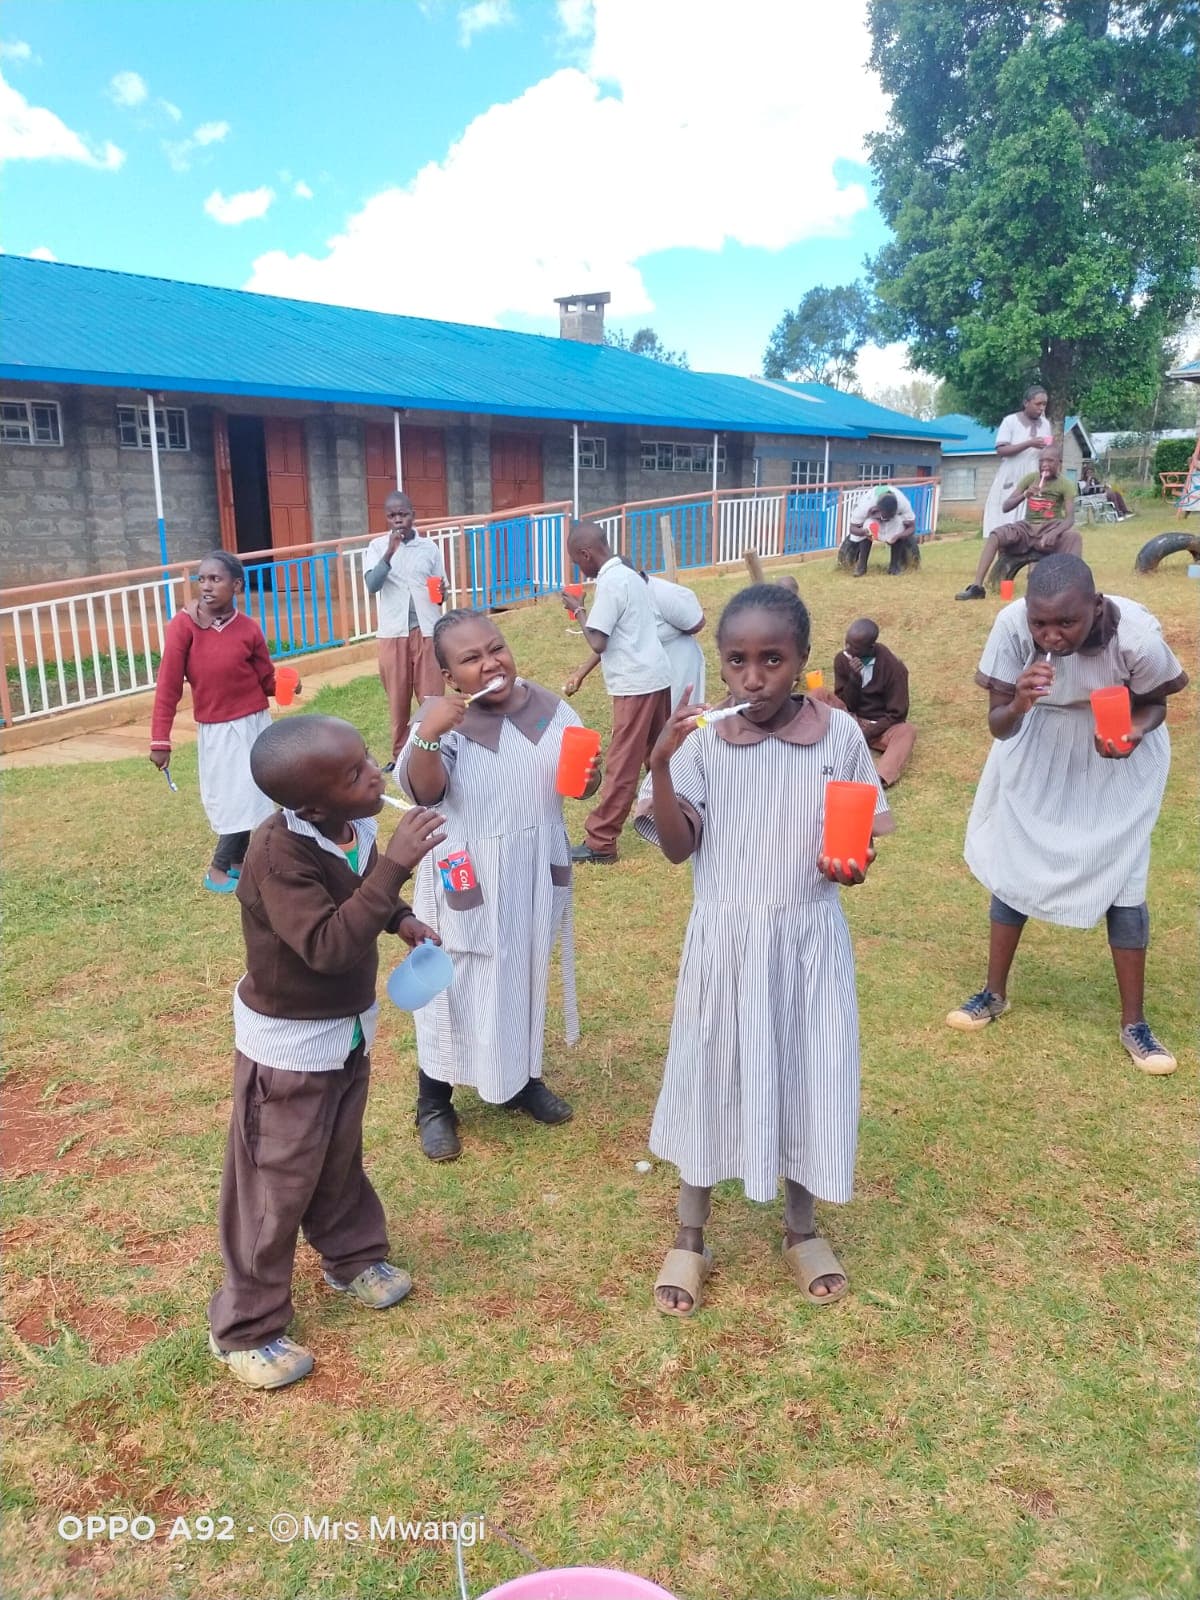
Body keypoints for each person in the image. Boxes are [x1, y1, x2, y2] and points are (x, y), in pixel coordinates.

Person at [635, 584, 893, 1316]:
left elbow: (858, 834)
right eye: (737, 661)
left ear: (803, 661)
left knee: (809, 1070)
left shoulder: (838, 735)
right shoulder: (705, 743)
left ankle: (801, 1227)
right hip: (725, 941)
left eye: (772, 660)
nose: (754, 677)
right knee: (711, 1070)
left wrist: (853, 863)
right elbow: (678, 851)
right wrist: (659, 764)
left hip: (809, 938)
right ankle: (691, 1233)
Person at [207, 715, 446, 1388]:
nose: (374, 774)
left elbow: (363, 890)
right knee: (274, 1183)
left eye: (367, 759)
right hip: (287, 1052)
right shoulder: (277, 854)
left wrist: (400, 918)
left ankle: (350, 1257)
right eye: (353, 775)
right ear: (310, 805)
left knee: (338, 1154)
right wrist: (398, 865)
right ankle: (244, 1327)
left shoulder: (351, 829)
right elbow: (328, 945)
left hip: (345, 1031)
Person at [947, 554, 1186, 1074]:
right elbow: (998, 724)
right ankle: (993, 993)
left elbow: (1156, 705)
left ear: (1095, 607)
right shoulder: (1012, 627)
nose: (1051, 636)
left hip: (1115, 750)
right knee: (1015, 867)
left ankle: (1135, 1024)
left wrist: (1133, 734)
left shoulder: (1135, 636)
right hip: (1036, 744)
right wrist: (1019, 704)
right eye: (1041, 623)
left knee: (1125, 880)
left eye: (1066, 623)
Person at [396, 610, 601, 1160]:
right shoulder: (443, 721)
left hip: (534, 866)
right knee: (452, 982)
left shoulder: (551, 710)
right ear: (449, 675)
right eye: (471, 658)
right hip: (469, 871)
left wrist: (590, 776)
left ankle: (519, 1080)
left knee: (524, 971)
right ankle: (434, 1100)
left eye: (497, 648)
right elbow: (425, 793)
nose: (491, 664)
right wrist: (432, 734)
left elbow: (581, 780)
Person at [149, 550, 285, 893]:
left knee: (254, 792)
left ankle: (239, 863)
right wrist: (160, 741)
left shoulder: (248, 629)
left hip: (254, 722)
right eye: (202, 579)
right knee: (232, 796)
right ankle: (218, 868)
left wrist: (285, 684)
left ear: (236, 585)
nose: (206, 586)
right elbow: (168, 685)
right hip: (218, 728)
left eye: (216, 579)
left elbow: (265, 679)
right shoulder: (184, 626)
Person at [561, 522, 673, 864]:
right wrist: (582, 672)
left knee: (622, 764)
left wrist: (577, 607)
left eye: (578, 562)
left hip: (635, 684)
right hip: (656, 674)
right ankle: (681, 815)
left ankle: (601, 840)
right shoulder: (630, 575)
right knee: (663, 754)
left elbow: (599, 639)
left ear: (586, 553)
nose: (580, 569)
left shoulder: (610, 583)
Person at [363, 491, 446, 766]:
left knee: (431, 696)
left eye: (403, 514)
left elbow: (439, 591)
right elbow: (372, 585)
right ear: (386, 518)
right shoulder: (376, 547)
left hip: (427, 631)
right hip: (392, 633)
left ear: (413, 514)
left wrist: (442, 592)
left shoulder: (430, 548)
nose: (398, 520)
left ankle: (435, 749)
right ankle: (400, 757)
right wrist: (389, 551)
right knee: (398, 699)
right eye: (392, 516)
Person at [565, 565, 706, 712]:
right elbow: (607, 638)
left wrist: (578, 611)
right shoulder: (625, 598)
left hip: (679, 662)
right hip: (650, 670)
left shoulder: (661, 594)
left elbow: (697, 623)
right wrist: (580, 674)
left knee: (677, 716)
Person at [955, 445, 1081, 599]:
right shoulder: (1030, 479)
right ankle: (977, 587)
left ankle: (1072, 589)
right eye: (1041, 461)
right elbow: (1006, 506)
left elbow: (1070, 518)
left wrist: (1055, 533)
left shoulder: (1065, 484)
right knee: (996, 535)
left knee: (1074, 537)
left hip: (1050, 527)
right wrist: (1025, 495)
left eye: (1050, 461)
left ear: (1059, 463)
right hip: (1026, 527)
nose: (1044, 465)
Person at [827, 618, 916, 788]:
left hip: (878, 727)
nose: (847, 649)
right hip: (849, 719)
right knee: (818, 695)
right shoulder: (843, 659)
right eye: (847, 643)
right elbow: (846, 703)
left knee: (907, 731)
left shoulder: (894, 669)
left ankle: (878, 779)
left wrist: (865, 734)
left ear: (870, 648)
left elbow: (897, 714)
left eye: (854, 647)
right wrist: (854, 679)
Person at [979, 384, 1056, 541]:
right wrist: (1029, 443)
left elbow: (1047, 450)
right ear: (1026, 403)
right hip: (1012, 474)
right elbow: (1001, 450)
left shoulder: (1046, 424)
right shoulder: (1010, 421)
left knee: (1032, 520)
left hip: (1035, 475)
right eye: (1038, 404)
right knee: (1006, 521)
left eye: (1044, 404)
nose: (1041, 408)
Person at [844, 488, 918, 577]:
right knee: (867, 525)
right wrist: (864, 532)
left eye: (890, 516)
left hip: (894, 522)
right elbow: (852, 528)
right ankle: (861, 566)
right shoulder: (865, 504)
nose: (886, 519)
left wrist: (898, 536)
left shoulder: (903, 503)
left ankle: (894, 566)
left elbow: (912, 527)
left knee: (900, 524)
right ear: (877, 509)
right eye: (885, 516)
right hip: (872, 520)